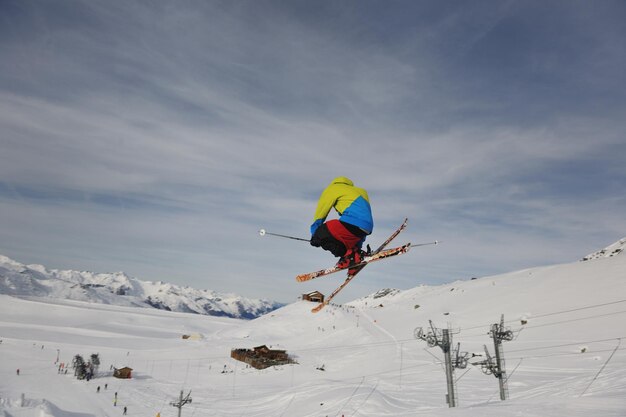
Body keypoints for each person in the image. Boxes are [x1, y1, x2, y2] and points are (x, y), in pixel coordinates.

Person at [310, 177, 373, 273]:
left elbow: (321, 211)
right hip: (367, 227)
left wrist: (315, 235)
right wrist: (358, 247)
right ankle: (354, 257)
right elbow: (362, 220)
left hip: (352, 223)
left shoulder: (333, 188)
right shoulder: (361, 191)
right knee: (342, 239)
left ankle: (349, 257)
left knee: (323, 231)